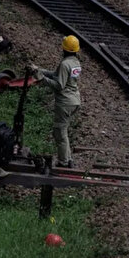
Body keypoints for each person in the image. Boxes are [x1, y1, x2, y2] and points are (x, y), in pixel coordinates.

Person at [32, 35, 82, 168]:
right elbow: (56, 74)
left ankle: (63, 162)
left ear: (64, 49)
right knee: (63, 130)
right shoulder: (75, 63)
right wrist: (39, 70)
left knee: (59, 132)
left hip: (65, 102)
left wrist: (42, 79)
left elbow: (59, 85)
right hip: (74, 100)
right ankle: (68, 159)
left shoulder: (65, 64)